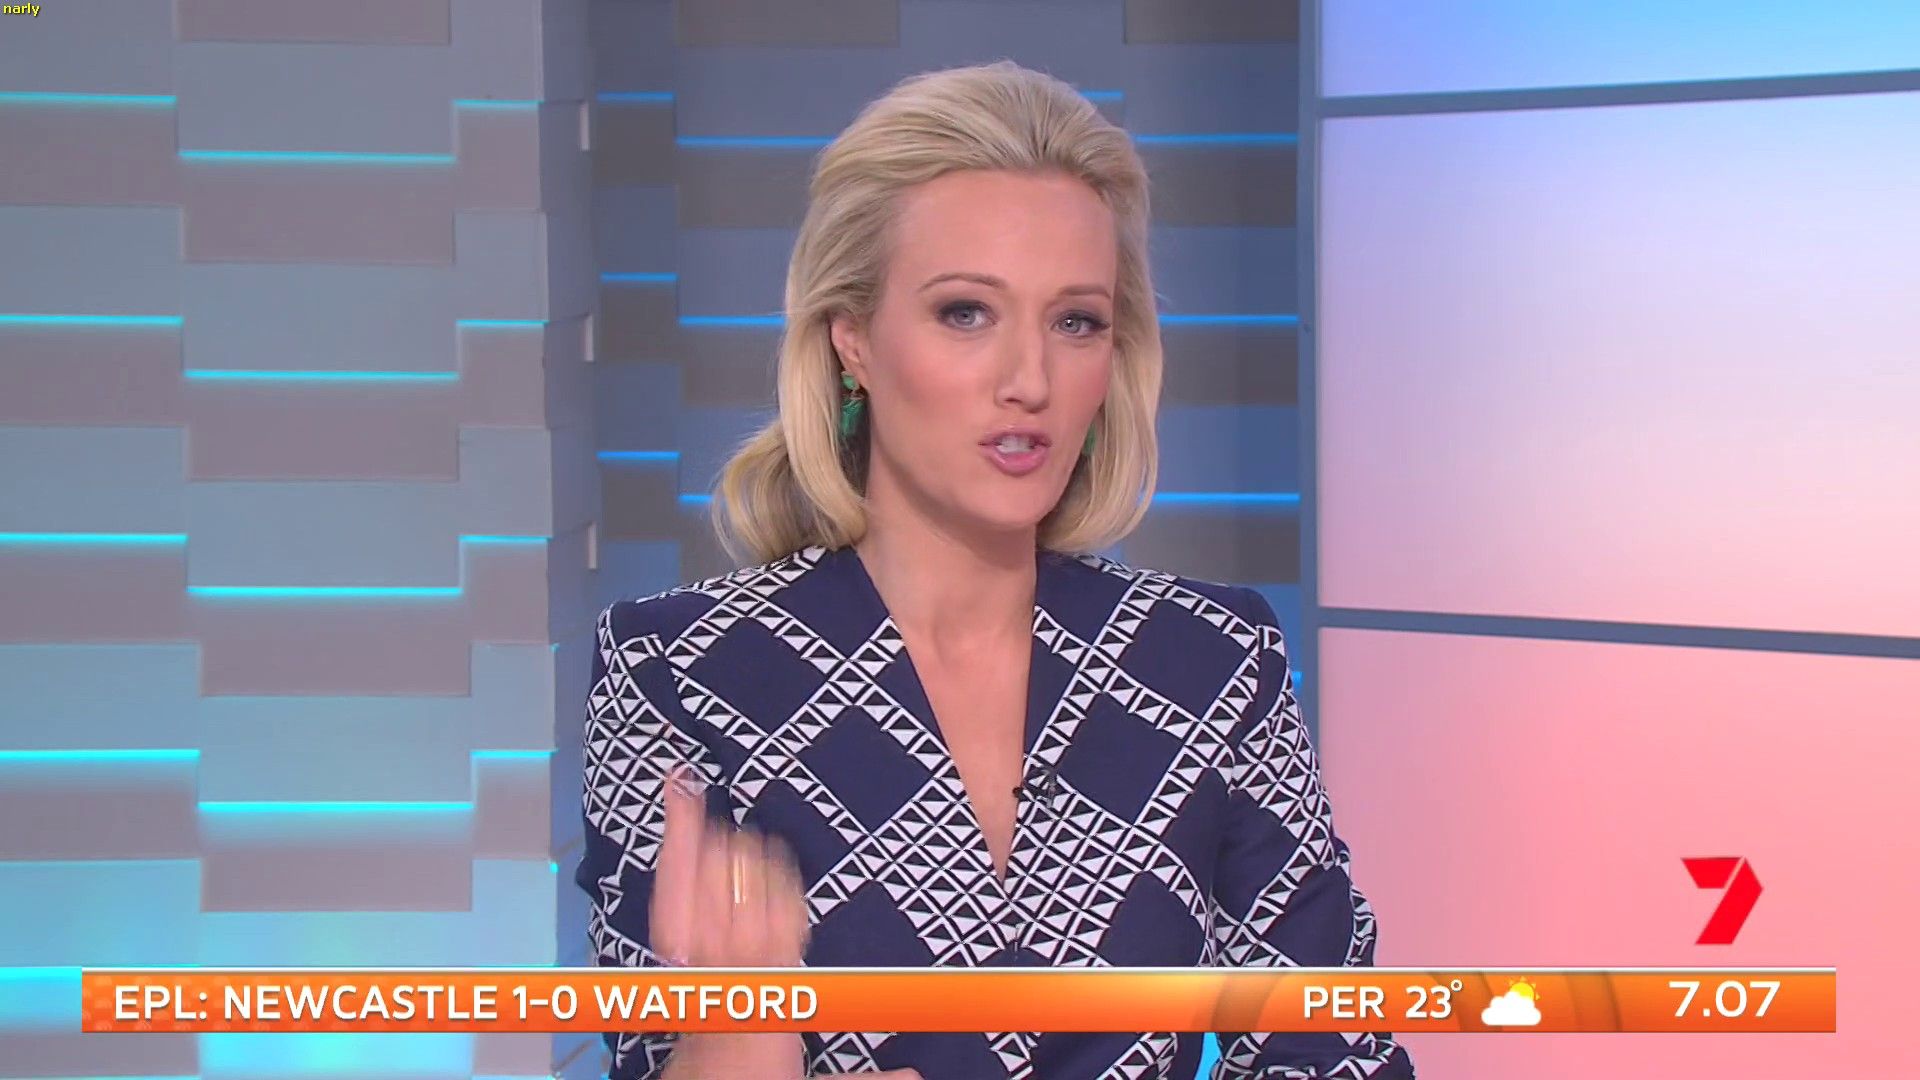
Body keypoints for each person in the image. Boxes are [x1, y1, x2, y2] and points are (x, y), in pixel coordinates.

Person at [577, 60, 1414, 1079]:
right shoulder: (679, 668)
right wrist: (740, 1031)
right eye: (966, 312)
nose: (1030, 381)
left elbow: (1334, 1049)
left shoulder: (1209, 661)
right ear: (854, 341)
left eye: (1076, 322)